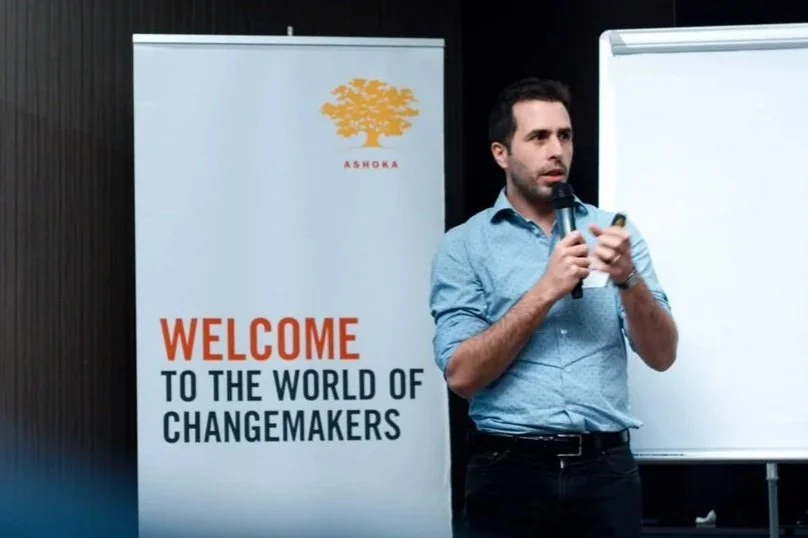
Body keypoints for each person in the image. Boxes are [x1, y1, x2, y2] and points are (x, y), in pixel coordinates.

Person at [428, 77, 679, 537]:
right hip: (508, 472)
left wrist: (628, 280)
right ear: (501, 153)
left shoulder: (613, 232)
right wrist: (546, 290)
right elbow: (462, 377)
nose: (556, 151)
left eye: (564, 136)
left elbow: (663, 356)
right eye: (539, 137)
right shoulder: (464, 246)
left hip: (605, 471)